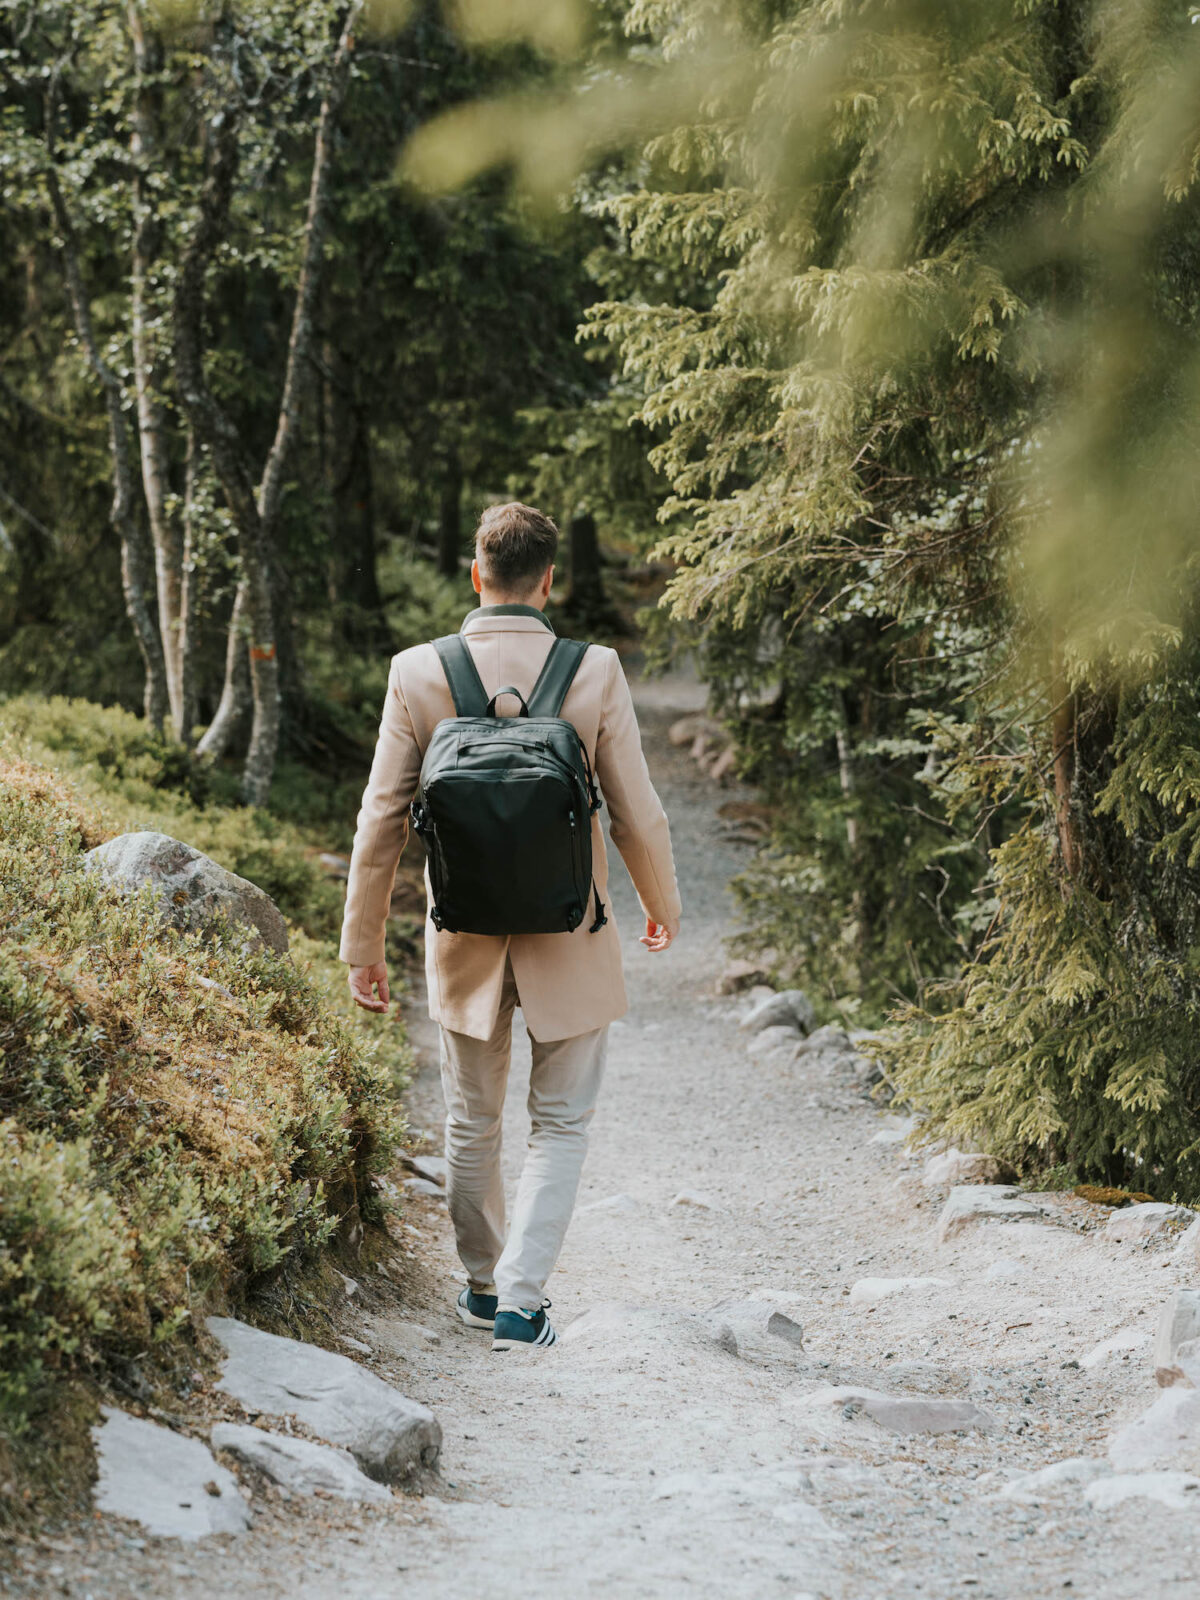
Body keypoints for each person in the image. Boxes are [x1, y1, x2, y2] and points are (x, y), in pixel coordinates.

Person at [340, 501, 681, 1351]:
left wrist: (363, 945)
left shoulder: (418, 671)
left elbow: (381, 818)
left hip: (464, 938)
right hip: (572, 932)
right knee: (562, 1124)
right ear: (549, 579)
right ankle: (526, 1304)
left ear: (475, 574)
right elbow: (638, 812)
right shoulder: (593, 669)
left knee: (471, 1123)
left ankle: (485, 1288)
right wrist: (661, 907)